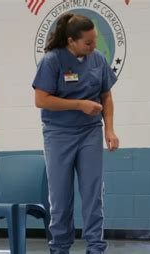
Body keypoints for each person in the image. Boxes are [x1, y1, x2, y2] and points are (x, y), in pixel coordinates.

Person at [32, 13, 119, 254]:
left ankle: (96, 247)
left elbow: (106, 95)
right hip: (58, 133)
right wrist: (79, 105)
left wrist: (109, 130)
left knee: (93, 192)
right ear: (71, 41)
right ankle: (59, 247)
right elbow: (41, 99)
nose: (94, 47)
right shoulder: (51, 61)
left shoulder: (98, 59)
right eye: (88, 43)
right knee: (60, 196)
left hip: (90, 132)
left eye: (95, 41)